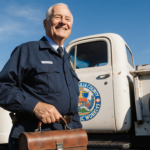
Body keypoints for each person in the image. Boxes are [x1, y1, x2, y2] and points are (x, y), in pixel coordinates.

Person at [0, 3, 82, 150]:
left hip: (68, 138)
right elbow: (2, 88)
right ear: (46, 23)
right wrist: (35, 106)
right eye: (58, 17)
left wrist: (78, 133)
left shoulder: (68, 60)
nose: (63, 22)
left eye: (68, 19)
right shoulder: (27, 51)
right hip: (36, 137)